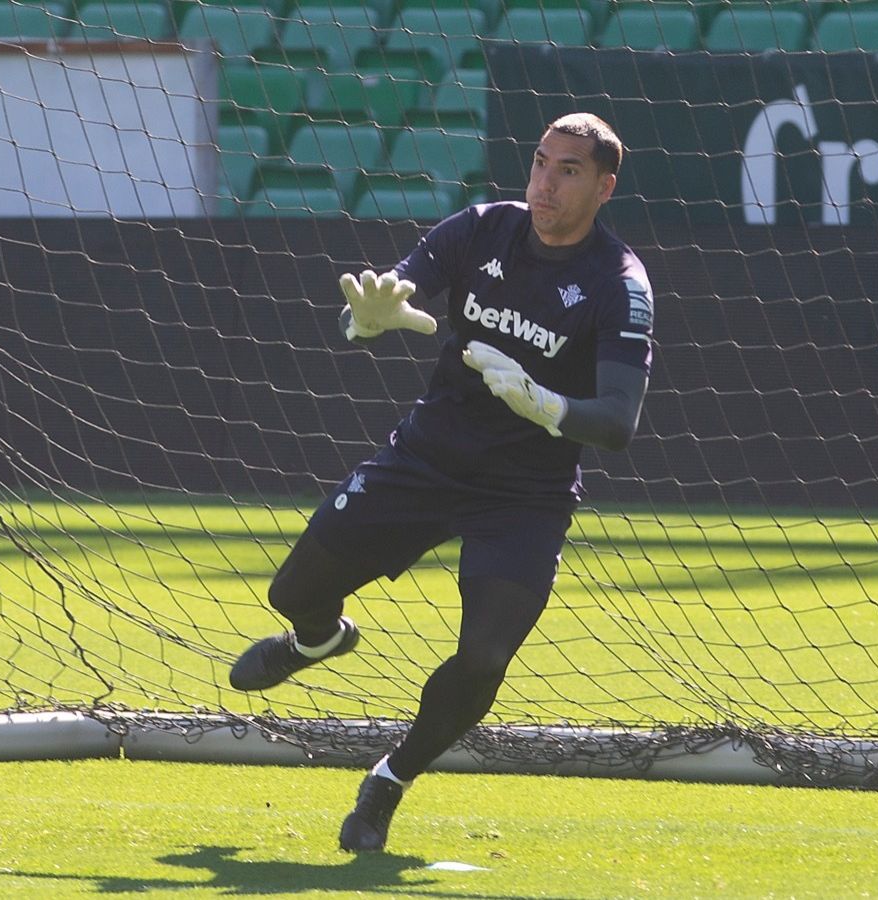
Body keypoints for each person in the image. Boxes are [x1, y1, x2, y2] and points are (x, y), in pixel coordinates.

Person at [229, 112, 654, 853]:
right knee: (292, 593)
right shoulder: (481, 228)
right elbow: (395, 293)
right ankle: (319, 640)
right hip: (426, 460)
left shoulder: (619, 282)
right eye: (541, 162)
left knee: (485, 657)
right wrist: (365, 322)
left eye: (570, 171)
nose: (546, 183)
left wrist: (547, 406)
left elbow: (617, 422)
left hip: (524, 496)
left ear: (604, 187)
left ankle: (389, 780)